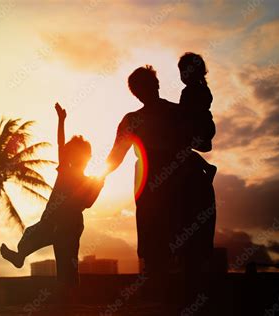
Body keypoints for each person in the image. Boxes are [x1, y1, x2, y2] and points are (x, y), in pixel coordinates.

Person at [0, 103, 104, 292]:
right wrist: (61, 121)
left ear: (86, 158)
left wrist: (101, 182)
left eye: (78, 155)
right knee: (29, 236)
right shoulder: (65, 170)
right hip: (50, 220)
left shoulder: (90, 181)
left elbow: (87, 203)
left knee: (66, 265)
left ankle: (69, 297)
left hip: (69, 226)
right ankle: (19, 257)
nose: (72, 157)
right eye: (71, 154)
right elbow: (60, 144)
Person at [106, 65, 186, 305]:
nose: (145, 92)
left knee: (163, 238)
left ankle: (165, 293)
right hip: (157, 183)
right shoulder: (172, 113)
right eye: (141, 88)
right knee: (159, 239)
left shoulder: (171, 113)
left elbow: (115, 158)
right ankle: (164, 293)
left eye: (145, 87)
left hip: (166, 182)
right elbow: (115, 158)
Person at [178, 52, 217, 183]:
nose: (182, 76)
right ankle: (206, 167)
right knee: (183, 150)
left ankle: (207, 167)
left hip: (199, 127)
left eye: (183, 72)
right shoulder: (204, 89)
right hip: (207, 126)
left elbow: (183, 112)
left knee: (180, 149)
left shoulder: (189, 91)